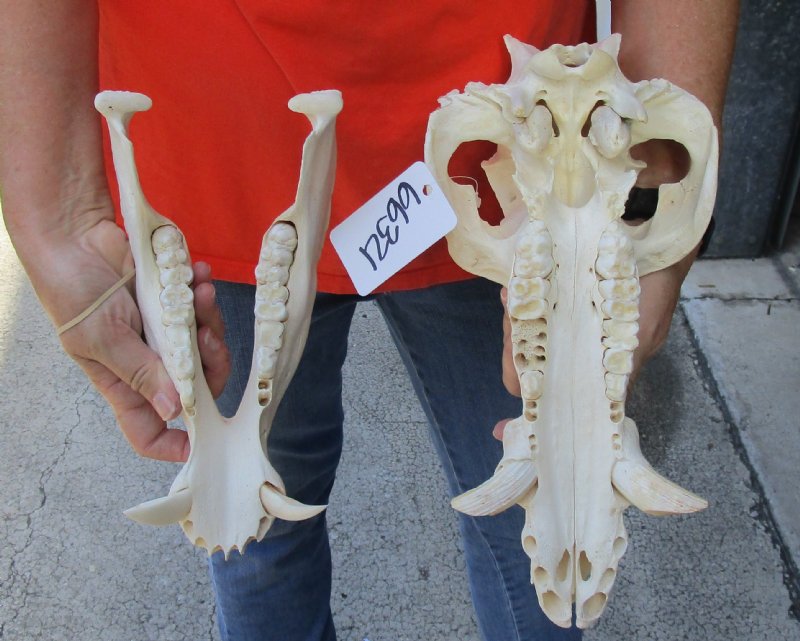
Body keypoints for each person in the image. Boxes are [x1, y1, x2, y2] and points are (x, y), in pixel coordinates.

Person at [0, 2, 739, 640]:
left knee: (553, 523)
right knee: (245, 512)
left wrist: (649, 201)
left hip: (514, 173)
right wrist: (53, 210)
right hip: (216, 153)